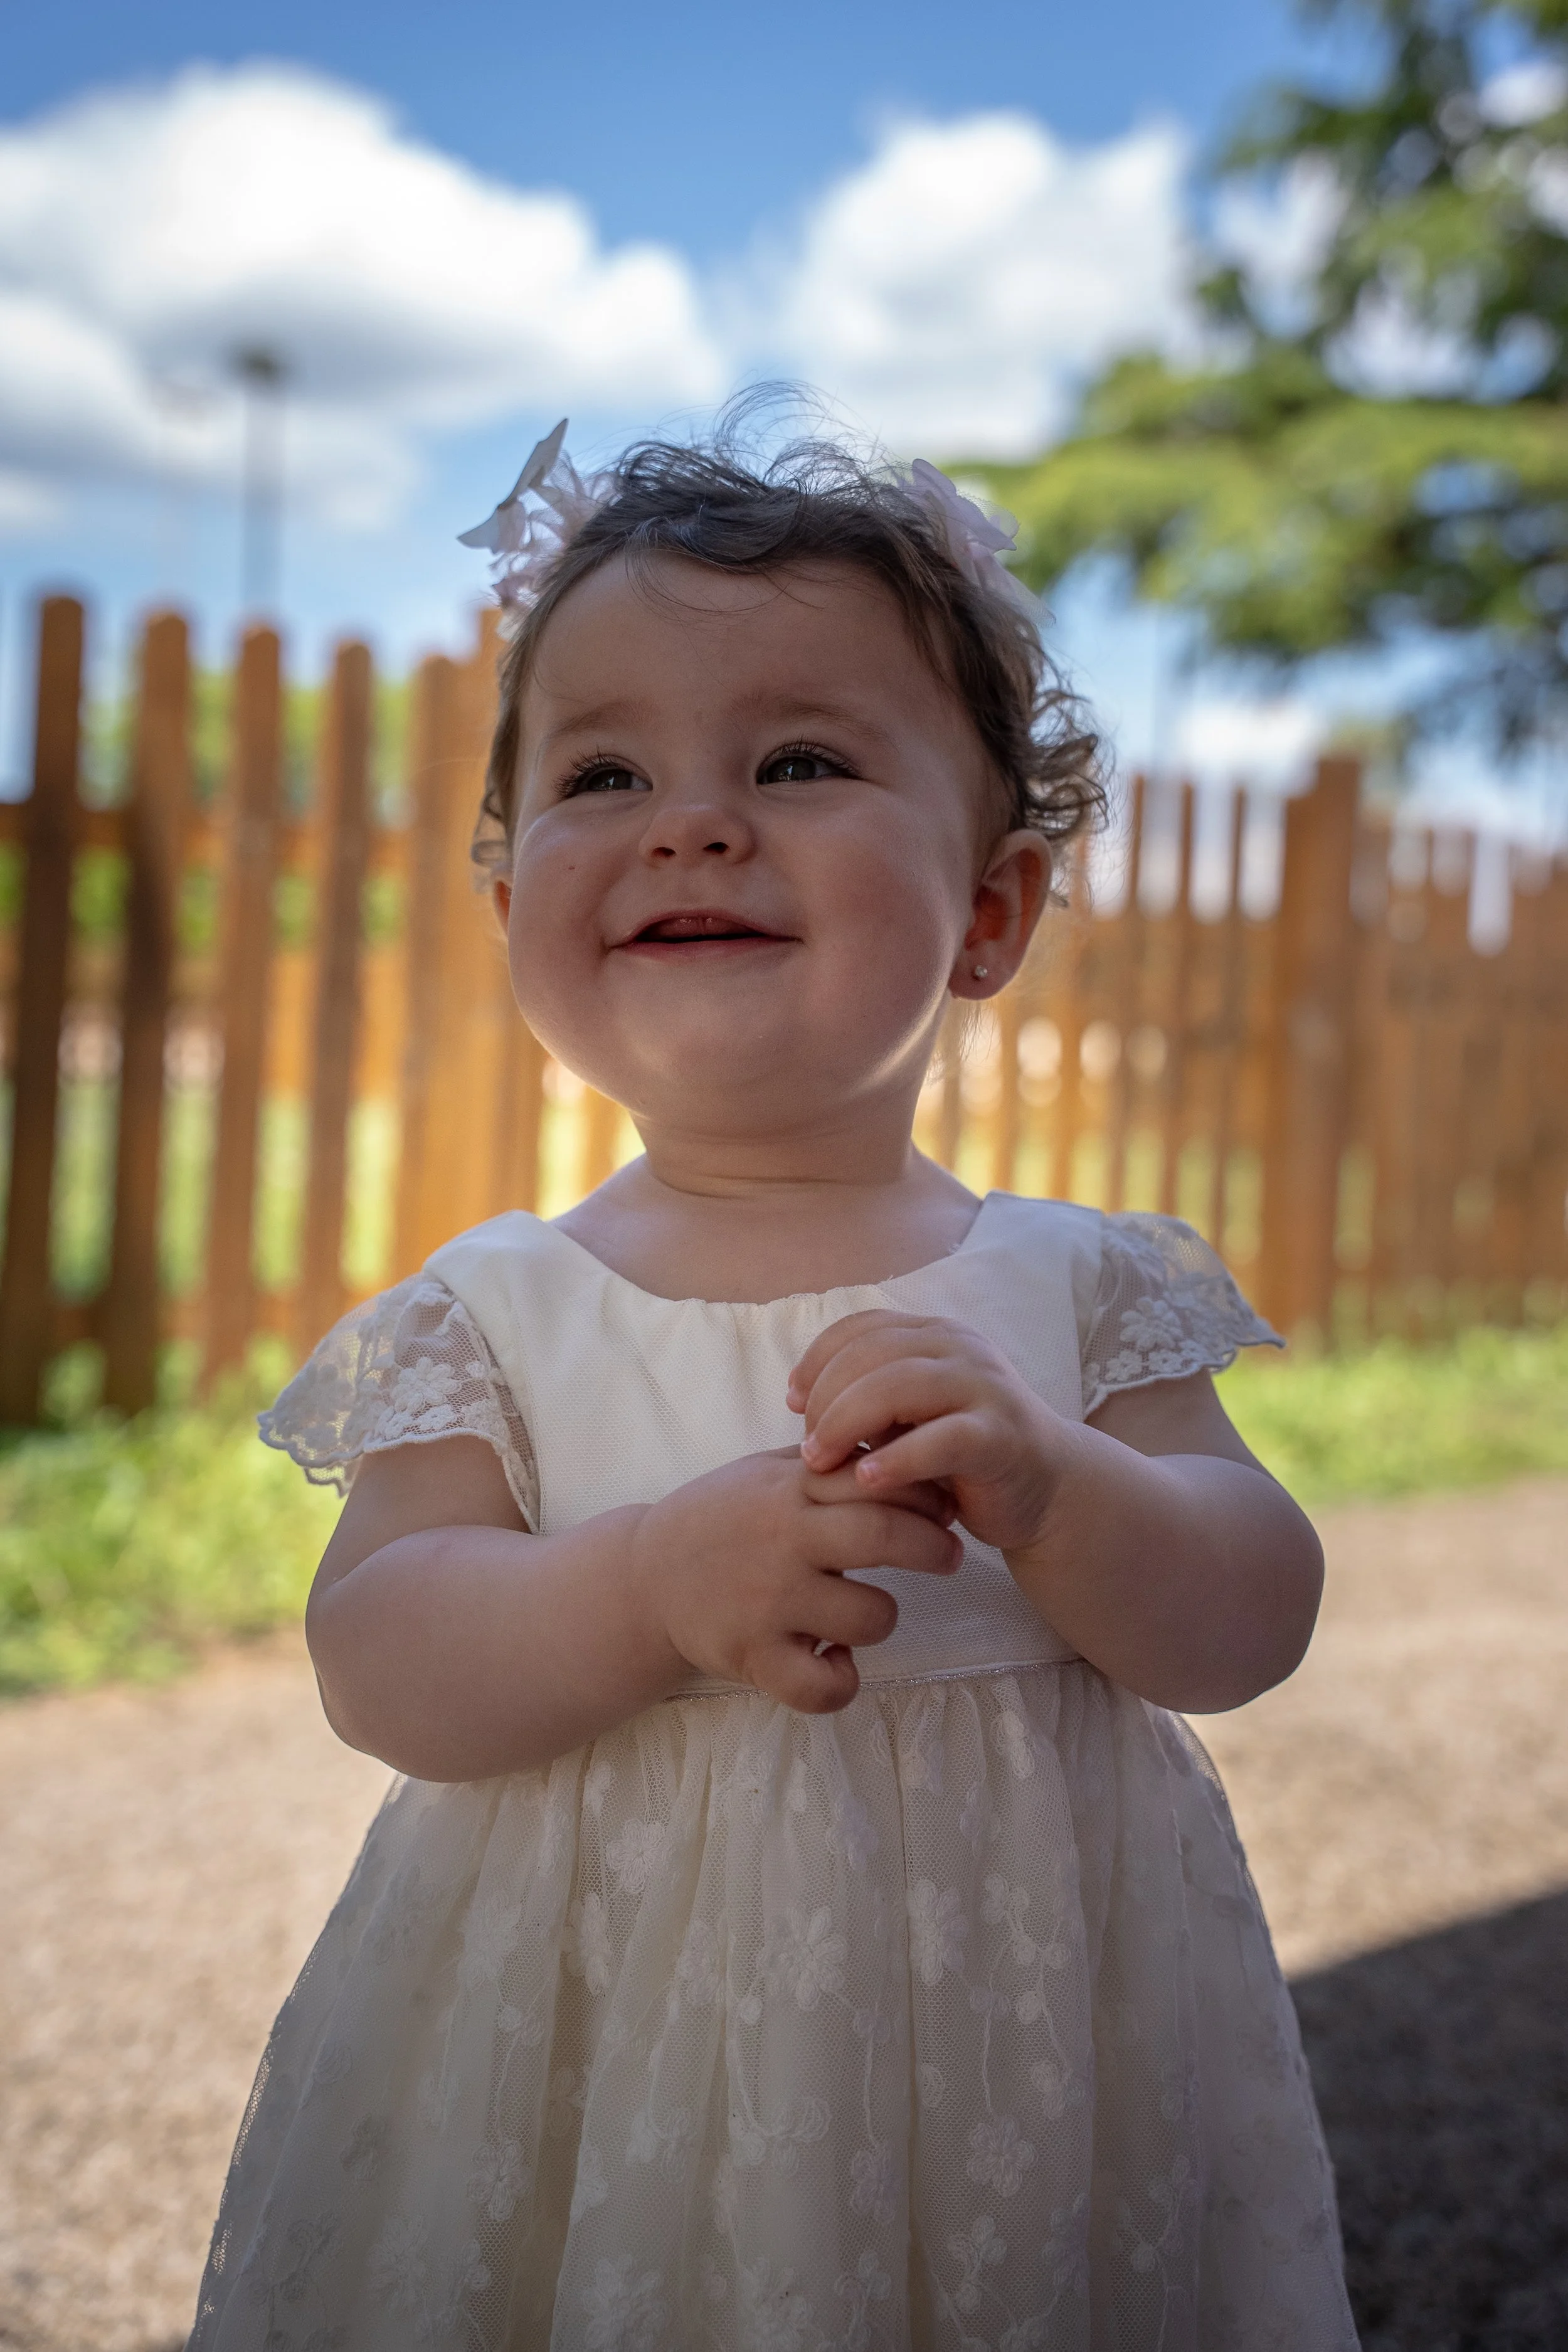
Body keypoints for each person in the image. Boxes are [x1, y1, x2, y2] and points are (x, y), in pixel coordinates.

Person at [191, 412, 1357, 2350]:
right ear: (509, 913)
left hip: (1017, 2059)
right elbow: (379, 1653)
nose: (691, 818)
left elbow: (1249, 1607)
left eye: (798, 759)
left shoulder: (1074, 1285)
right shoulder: (492, 1312)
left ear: (988, 910)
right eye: (603, 769)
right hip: (587, 2075)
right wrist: (641, 1583)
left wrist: (1064, 1490)